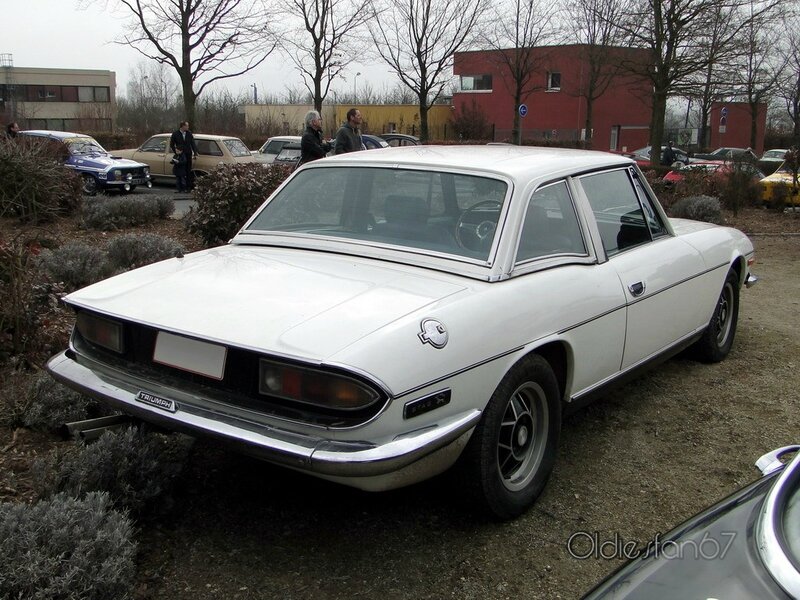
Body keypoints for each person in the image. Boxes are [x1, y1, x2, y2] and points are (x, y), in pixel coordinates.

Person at [169, 121, 199, 187]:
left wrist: (195, 153)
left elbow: (192, 143)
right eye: (187, 126)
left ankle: (188, 187)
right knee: (180, 171)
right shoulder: (175, 134)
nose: (188, 127)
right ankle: (180, 187)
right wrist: (176, 152)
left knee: (188, 170)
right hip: (180, 155)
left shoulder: (189, 133)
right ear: (183, 126)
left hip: (188, 154)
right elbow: (171, 144)